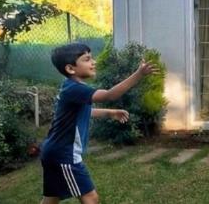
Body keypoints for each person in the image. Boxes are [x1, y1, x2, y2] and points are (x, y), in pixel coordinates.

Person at [39, 43, 157, 203]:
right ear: (70, 69)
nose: (93, 62)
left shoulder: (70, 87)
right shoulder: (75, 89)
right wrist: (139, 74)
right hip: (64, 154)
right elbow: (109, 95)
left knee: (52, 198)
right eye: (87, 59)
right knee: (90, 198)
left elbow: (81, 113)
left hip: (53, 151)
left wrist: (109, 112)